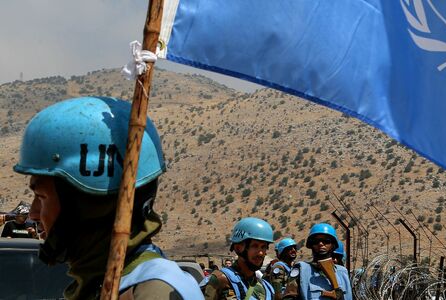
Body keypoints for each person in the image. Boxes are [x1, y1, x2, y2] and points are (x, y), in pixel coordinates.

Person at [13, 96, 202, 299]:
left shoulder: (150, 291)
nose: (33, 213)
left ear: (89, 206)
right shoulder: (101, 282)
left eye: (41, 197)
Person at [201, 217, 275, 300]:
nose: (260, 253)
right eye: (255, 246)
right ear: (238, 248)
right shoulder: (221, 280)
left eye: (263, 247)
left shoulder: (267, 288)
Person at [283, 223, 352, 300]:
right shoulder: (302, 269)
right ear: (311, 245)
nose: (320, 244)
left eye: (326, 241)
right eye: (316, 241)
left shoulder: (342, 272)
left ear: (333, 245)